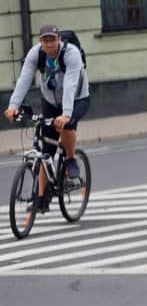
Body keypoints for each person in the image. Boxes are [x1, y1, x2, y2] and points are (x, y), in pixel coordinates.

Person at [4, 24, 91, 212]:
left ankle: (70, 159)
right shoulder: (35, 54)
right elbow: (24, 79)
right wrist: (13, 106)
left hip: (77, 98)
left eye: (52, 39)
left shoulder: (71, 53)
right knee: (46, 151)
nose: (49, 44)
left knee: (66, 126)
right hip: (50, 101)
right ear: (40, 42)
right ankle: (41, 198)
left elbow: (70, 84)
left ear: (59, 39)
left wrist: (66, 114)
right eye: (45, 40)